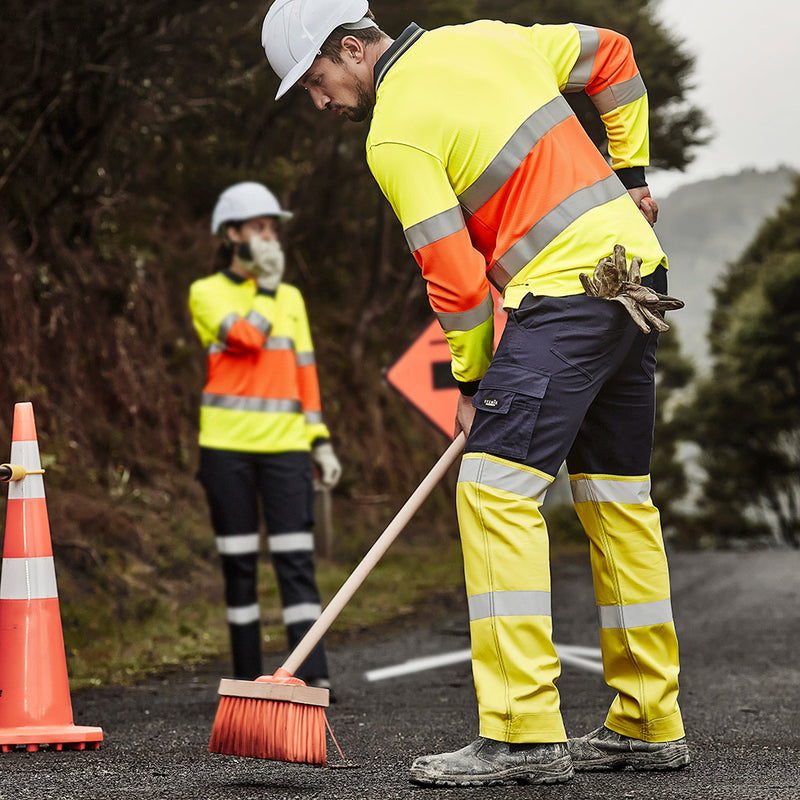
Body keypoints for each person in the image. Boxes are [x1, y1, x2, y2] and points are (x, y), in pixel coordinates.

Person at [261, 0, 689, 787]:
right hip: (637, 281)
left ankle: (523, 733)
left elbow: (454, 280)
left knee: (492, 491)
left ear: (353, 50)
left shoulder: (393, 133)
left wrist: (470, 379)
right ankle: (648, 722)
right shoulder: (491, 39)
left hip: (565, 297)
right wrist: (630, 177)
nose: (319, 102)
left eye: (317, 81)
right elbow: (616, 57)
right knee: (618, 502)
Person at [189, 181, 341, 693]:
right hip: (227, 450)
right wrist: (268, 290)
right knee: (239, 570)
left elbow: (305, 374)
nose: (270, 239)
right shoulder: (206, 293)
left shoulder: (292, 297)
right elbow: (245, 340)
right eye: (259, 229)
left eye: (274, 230)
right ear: (233, 235)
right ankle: (247, 681)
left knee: (296, 564)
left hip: (287, 449)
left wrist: (319, 440)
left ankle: (311, 675)